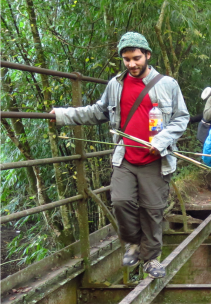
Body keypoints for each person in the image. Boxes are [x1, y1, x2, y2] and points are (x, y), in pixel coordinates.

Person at [50, 32, 189, 278]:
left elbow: (181, 118)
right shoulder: (115, 85)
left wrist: (161, 140)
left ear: (147, 55)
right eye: (126, 59)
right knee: (121, 201)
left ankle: (151, 259)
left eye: (136, 58)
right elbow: (98, 111)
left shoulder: (168, 84)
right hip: (125, 156)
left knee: (152, 210)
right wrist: (61, 115)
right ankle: (133, 243)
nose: (132, 64)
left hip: (155, 159)